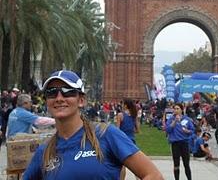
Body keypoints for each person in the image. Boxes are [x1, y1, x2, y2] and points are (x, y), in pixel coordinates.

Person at [23, 70, 163, 180]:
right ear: (46, 101)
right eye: (52, 93)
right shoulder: (44, 151)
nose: (59, 98)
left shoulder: (106, 135)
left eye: (68, 92)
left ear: (81, 100)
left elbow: (154, 176)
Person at [166, 103, 194, 180]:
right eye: (174, 109)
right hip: (175, 143)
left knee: (186, 164)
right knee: (176, 164)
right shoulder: (171, 119)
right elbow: (168, 130)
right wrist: (174, 121)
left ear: (181, 110)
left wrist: (187, 131)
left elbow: (192, 130)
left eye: (178, 109)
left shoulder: (187, 119)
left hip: (184, 143)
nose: (176, 110)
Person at [116, 98, 140, 180]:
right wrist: (131, 130)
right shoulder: (134, 115)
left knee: (122, 165)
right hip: (132, 140)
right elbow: (138, 130)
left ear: (125, 105)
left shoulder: (120, 115)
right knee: (135, 164)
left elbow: (117, 130)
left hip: (122, 141)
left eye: (123, 104)